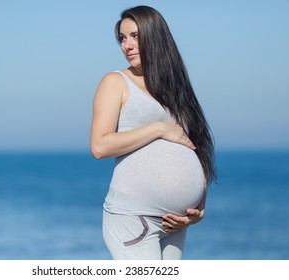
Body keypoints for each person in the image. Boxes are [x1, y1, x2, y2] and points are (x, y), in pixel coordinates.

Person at [90, 5, 216, 260]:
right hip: (134, 219)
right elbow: (100, 146)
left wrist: (199, 206)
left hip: (175, 223)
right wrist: (158, 129)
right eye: (122, 38)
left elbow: (197, 146)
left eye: (135, 36)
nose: (127, 45)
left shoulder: (176, 89)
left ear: (156, 36)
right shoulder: (115, 82)